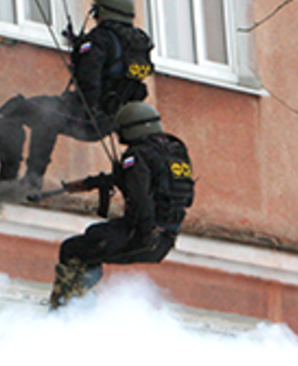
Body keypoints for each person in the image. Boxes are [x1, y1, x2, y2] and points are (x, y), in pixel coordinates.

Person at [0, 0, 154, 191]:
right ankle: (31, 180)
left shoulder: (99, 39)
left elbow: (88, 80)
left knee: (18, 111)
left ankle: (14, 178)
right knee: (46, 114)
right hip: (111, 120)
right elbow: (120, 75)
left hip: (87, 115)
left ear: (102, 11)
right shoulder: (137, 44)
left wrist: (81, 55)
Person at [48, 102, 194, 309]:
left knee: (73, 249)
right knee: (94, 239)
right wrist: (92, 183)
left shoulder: (137, 155)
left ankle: (66, 311)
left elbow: (140, 196)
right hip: (166, 239)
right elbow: (151, 184)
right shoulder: (173, 152)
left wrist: (145, 234)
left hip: (143, 235)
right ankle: (80, 305)